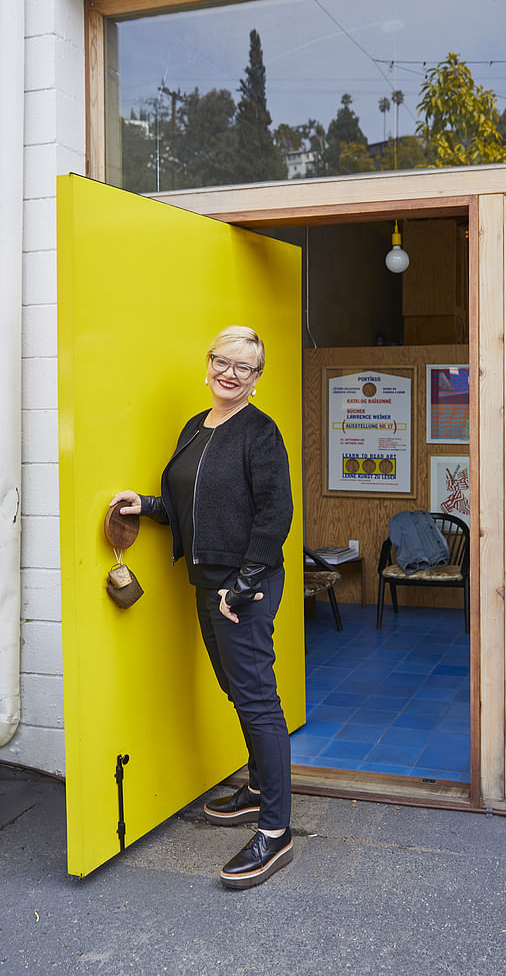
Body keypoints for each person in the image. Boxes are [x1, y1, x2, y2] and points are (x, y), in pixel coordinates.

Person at [110, 325, 294, 890]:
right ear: (208, 363)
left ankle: (276, 831)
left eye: (244, 367)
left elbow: (274, 517)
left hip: (244, 587)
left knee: (257, 698)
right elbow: (192, 502)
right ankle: (260, 788)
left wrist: (242, 583)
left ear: (257, 380)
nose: (230, 373)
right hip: (206, 579)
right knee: (235, 687)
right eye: (222, 361)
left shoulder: (261, 433)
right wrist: (146, 505)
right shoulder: (196, 427)